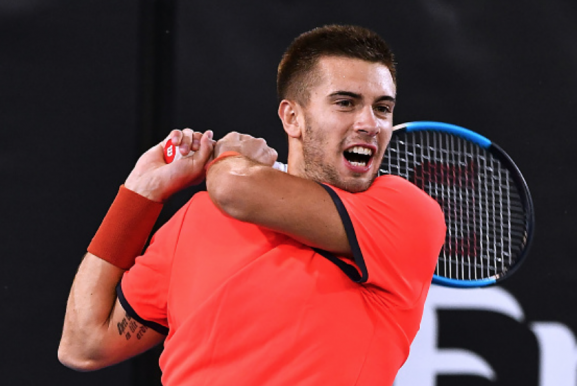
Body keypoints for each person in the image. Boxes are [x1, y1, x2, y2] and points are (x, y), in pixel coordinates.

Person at [58, 25, 446, 385]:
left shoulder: (406, 213)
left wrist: (229, 156)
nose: (370, 123)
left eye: (382, 108)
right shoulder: (198, 217)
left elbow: (233, 187)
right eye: (346, 103)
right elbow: (83, 346)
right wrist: (139, 194)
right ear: (292, 117)